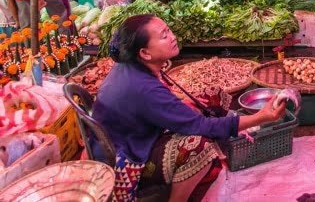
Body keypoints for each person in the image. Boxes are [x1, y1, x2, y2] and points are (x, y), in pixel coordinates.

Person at [94, 15, 287, 201]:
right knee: (199, 147)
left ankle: (229, 128)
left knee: (213, 95)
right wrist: (262, 117)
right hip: (128, 157)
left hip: (133, 134)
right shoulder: (144, 89)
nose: (173, 37)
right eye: (164, 36)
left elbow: (165, 107)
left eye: (169, 30)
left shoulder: (131, 66)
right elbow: (201, 126)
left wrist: (189, 109)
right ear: (145, 53)